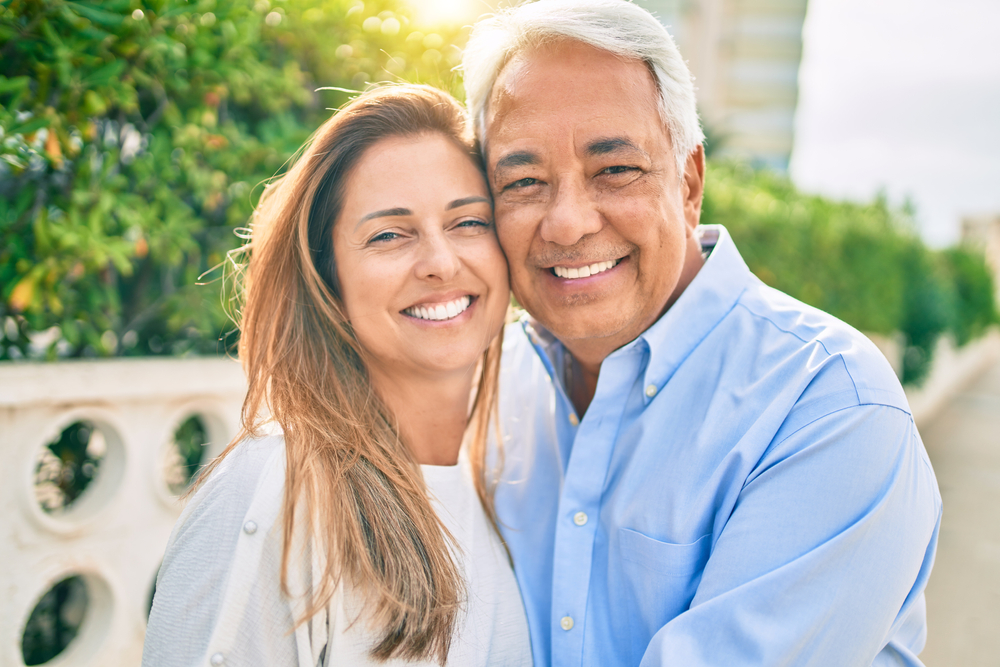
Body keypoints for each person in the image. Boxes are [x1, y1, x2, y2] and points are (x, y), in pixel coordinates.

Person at [462, 1, 942, 665]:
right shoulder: (480, 387)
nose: (567, 223)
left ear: (689, 182)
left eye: (615, 170)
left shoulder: (829, 405)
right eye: (523, 181)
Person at [142, 85, 532, 666]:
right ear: (328, 281)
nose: (441, 263)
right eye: (388, 235)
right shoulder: (275, 489)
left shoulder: (521, 473)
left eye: (468, 222)